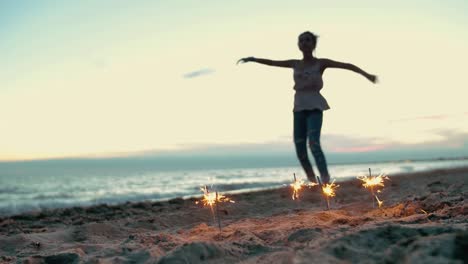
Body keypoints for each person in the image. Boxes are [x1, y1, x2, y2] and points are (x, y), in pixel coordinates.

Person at [238, 31, 378, 185]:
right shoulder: (295, 63)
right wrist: (253, 59)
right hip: (298, 108)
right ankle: (312, 181)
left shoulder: (321, 63)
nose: (304, 43)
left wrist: (367, 75)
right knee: (300, 148)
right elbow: (272, 62)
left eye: (308, 40)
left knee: (314, 143)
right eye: (301, 40)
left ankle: (325, 179)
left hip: (315, 106)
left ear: (313, 44)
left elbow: (347, 66)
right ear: (298, 45)